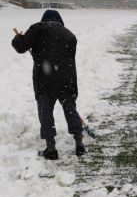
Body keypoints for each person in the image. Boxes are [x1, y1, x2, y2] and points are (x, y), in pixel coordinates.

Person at [11, 10, 85, 160]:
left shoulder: (38, 28)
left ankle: (51, 149)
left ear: (44, 19)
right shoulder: (70, 35)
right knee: (70, 109)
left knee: (45, 111)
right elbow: (68, 59)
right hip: (66, 79)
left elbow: (20, 47)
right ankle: (79, 144)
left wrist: (18, 38)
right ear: (59, 20)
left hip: (45, 79)